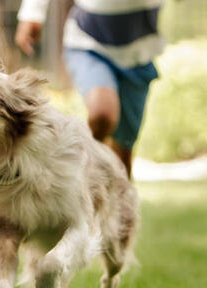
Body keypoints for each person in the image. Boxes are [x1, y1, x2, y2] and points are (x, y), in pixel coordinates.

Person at [15, 0, 164, 176]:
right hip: (88, 43)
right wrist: (32, 13)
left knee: (122, 156)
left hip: (138, 54)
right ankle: (83, 172)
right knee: (103, 114)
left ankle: (113, 195)